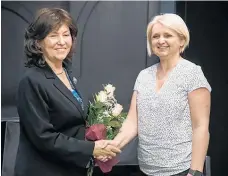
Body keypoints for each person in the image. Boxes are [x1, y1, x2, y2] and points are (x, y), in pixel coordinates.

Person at [14, 8, 120, 176]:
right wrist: (91, 148)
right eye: (53, 35)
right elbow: (44, 138)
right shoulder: (32, 81)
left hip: (70, 167)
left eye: (66, 35)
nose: (61, 41)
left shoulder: (67, 73)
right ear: (38, 42)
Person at [111, 13, 211, 176]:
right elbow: (132, 122)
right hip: (146, 170)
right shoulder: (143, 76)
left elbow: (200, 127)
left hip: (181, 170)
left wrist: (195, 171)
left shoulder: (192, 74)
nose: (161, 40)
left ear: (181, 40)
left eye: (168, 35)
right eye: (155, 36)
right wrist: (112, 146)